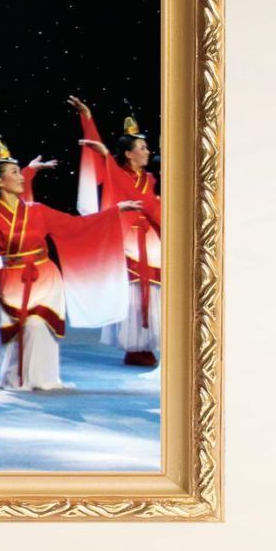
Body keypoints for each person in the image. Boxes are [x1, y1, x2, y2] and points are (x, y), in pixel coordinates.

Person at [0, 140, 147, 392]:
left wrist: (113, 211)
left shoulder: (38, 211)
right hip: (12, 277)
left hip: (44, 275)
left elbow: (76, 225)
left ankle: (43, 377)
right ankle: (16, 377)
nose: (21, 177)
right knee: (20, 330)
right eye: (14, 173)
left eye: (20, 172)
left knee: (39, 326)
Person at [71, 97, 164, 367]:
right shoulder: (115, 173)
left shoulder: (151, 179)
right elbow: (97, 157)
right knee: (133, 291)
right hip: (127, 240)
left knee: (154, 290)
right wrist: (88, 119)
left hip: (152, 240)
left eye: (147, 148)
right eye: (142, 148)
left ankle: (148, 342)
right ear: (128, 154)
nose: (147, 152)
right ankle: (135, 345)